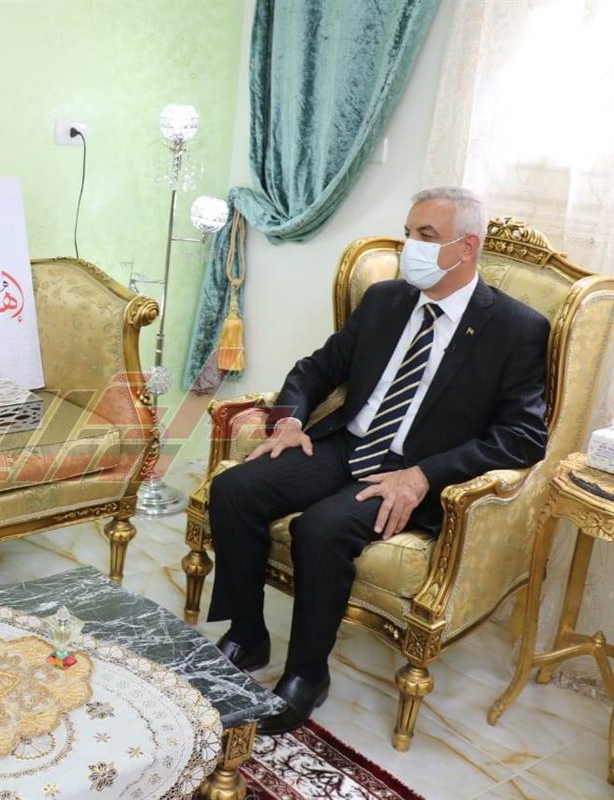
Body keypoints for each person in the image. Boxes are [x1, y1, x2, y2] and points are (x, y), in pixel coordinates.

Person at [206, 186, 548, 734]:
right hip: (347, 444)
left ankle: (306, 676)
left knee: (321, 530)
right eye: (408, 232)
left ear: (467, 248)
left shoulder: (516, 328)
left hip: (413, 472)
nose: (410, 246)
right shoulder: (386, 300)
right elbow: (316, 369)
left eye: (426, 236)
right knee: (235, 489)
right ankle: (247, 635)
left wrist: (425, 475)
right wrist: (289, 421)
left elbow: (523, 437)